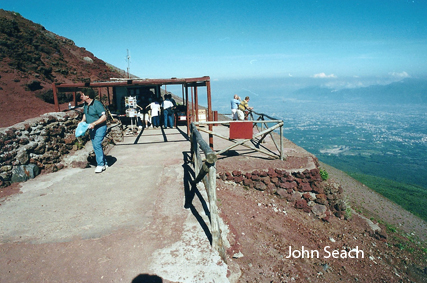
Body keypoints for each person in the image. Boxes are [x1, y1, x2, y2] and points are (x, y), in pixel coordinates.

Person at [79, 91, 108, 173]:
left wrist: (94, 123)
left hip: (100, 127)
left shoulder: (97, 104)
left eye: (83, 95)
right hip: (91, 128)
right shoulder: (85, 104)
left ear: (88, 96)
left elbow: (104, 117)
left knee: (97, 144)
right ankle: (105, 163)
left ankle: (100, 165)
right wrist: (82, 121)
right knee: (95, 146)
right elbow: (85, 114)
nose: (81, 96)